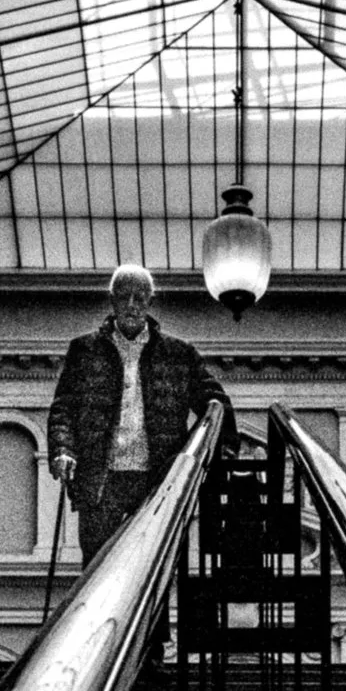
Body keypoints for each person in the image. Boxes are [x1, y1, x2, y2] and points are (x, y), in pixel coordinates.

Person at [47, 265, 237, 655]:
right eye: (124, 296)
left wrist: (221, 453)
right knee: (98, 566)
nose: (132, 304)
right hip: (100, 479)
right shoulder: (84, 349)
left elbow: (215, 403)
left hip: (156, 480)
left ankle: (150, 653)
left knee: (153, 566)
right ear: (113, 301)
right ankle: (94, 651)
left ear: (150, 302)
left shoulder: (178, 354)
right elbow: (63, 408)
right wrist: (62, 449)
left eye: (140, 297)